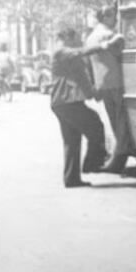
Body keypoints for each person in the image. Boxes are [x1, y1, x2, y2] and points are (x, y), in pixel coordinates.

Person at [50, 27, 109, 188]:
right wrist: (102, 46)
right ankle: (92, 164)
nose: (79, 42)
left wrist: (93, 93)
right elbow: (80, 52)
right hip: (67, 102)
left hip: (65, 102)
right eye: (76, 38)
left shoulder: (69, 55)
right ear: (68, 37)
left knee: (72, 140)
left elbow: (81, 77)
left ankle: (72, 179)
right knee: (95, 125)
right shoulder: (61, 51)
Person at [85, 5, 135, 174]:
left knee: (113, 119)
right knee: (120, 120)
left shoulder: (91, 37)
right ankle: (120, 156)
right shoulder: (110, 35)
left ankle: (117, 156)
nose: (116, 19)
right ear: (106, 17)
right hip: (116, 81)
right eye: (113, 16)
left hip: (102, 83)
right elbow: (121, 52)